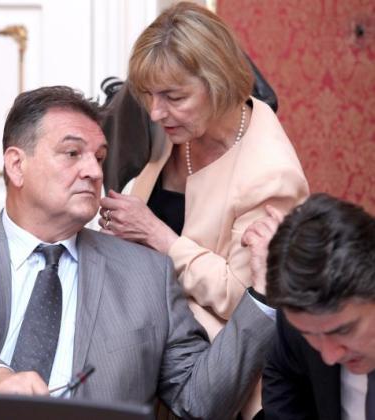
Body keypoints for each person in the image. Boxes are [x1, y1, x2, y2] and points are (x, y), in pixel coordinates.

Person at [0, 85, 275, 420]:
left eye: (100, 157)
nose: (94, 171)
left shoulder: (147, 275)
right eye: (73, 153)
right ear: (17, 165)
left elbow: (201, 400)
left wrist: (262, 294)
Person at [97, 3, 309, 418]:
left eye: (173, 97)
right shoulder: (178, 125)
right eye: (149, 95)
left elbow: (248, 300)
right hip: (147, 341)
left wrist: (159, 237)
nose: (155, 112)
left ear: (218, 83)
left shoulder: (272, 175)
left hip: (211, 371)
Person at [253, 193, 375, 420]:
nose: (329, 356)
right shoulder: (299, 320)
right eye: (311, 335)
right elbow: (283, 373)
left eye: (343, 330)